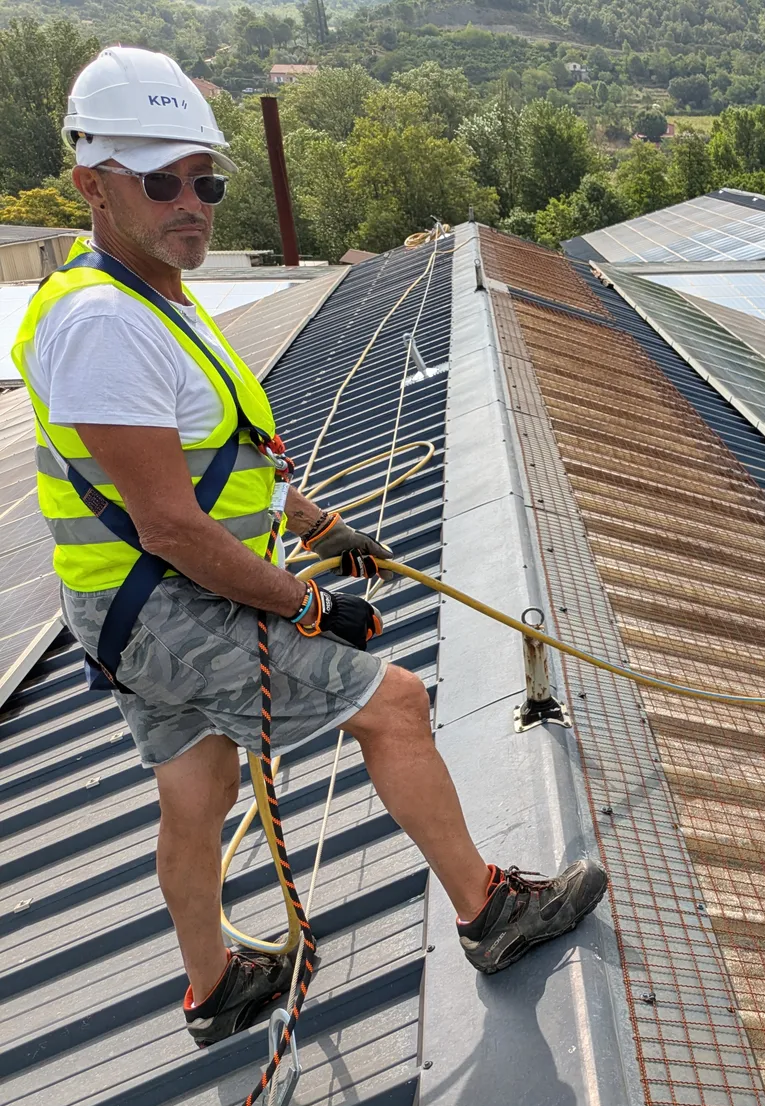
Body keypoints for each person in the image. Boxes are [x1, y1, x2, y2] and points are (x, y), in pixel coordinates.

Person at [12, 47, 608, 1048]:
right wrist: (306, 602)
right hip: (163, 605)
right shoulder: (103, 324)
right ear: (91, 183)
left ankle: (215, 987)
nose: (191, 203)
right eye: (159, 182)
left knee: (195, 790)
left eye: (204, 180)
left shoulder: (145, 289)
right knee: (395, 703)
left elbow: (219, 459)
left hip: (129, 608)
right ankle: (490, 912)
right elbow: (170, 523)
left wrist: (321, 526)